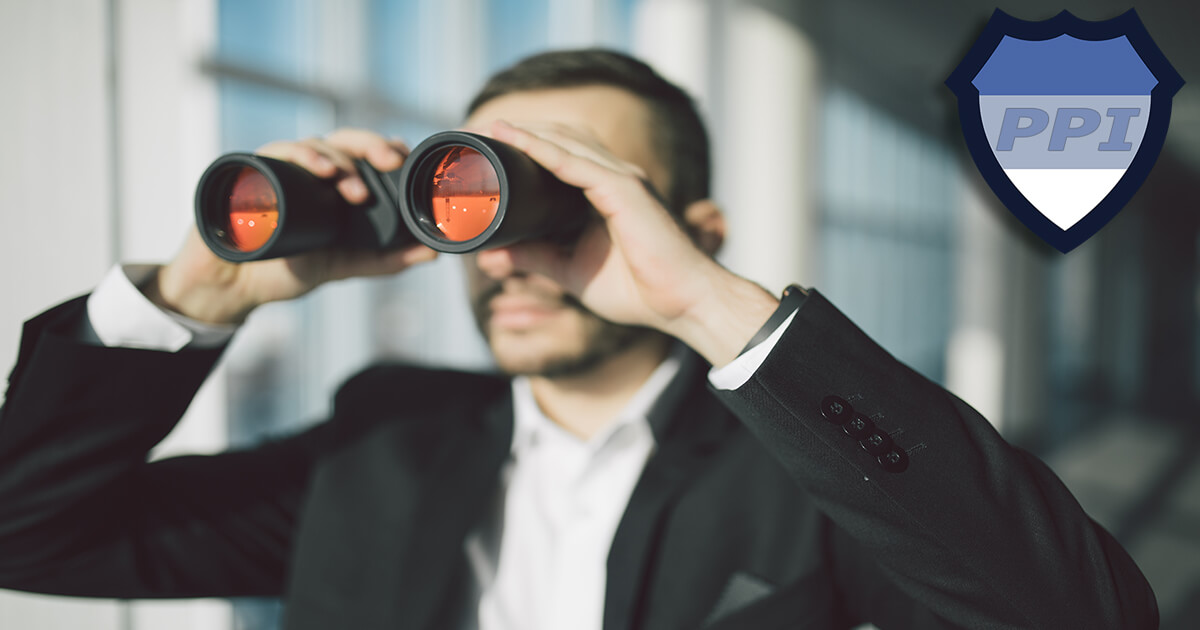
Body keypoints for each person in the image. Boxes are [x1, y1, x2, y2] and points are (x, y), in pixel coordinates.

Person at [0, 49, 1156, 630]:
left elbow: (1079, 613)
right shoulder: (384, 440)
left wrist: (714, 307)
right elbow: (25, 534)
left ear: (690, 231)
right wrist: (200, 293)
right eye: (472, 201)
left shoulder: (802, 478)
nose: (507, 251)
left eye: (564, 203)